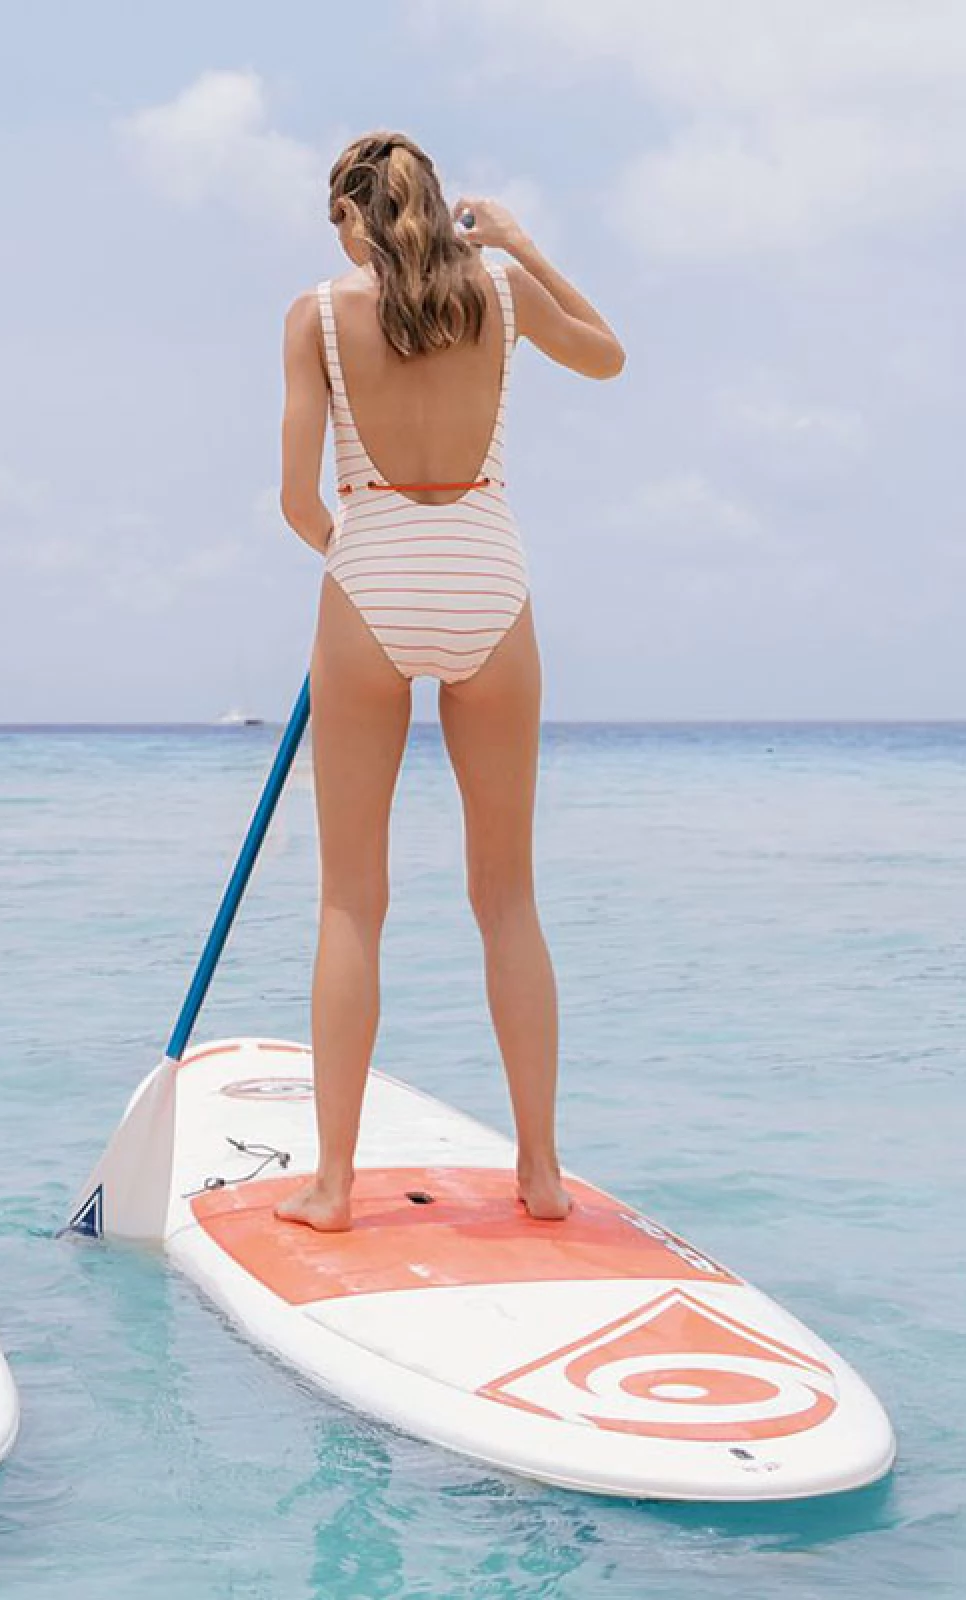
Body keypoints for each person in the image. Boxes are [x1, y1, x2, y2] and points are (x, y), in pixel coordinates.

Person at [272, 132, 625, 1232]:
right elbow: (608, 355)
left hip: (373, 577)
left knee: (349, 899)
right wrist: (520, 241)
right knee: (506, 896)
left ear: (348, 214)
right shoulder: (500, 296)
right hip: (487, 578)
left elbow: (296, 501)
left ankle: (331, 1187)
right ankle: (541, 1171)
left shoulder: (315, 315)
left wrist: (366, 568)